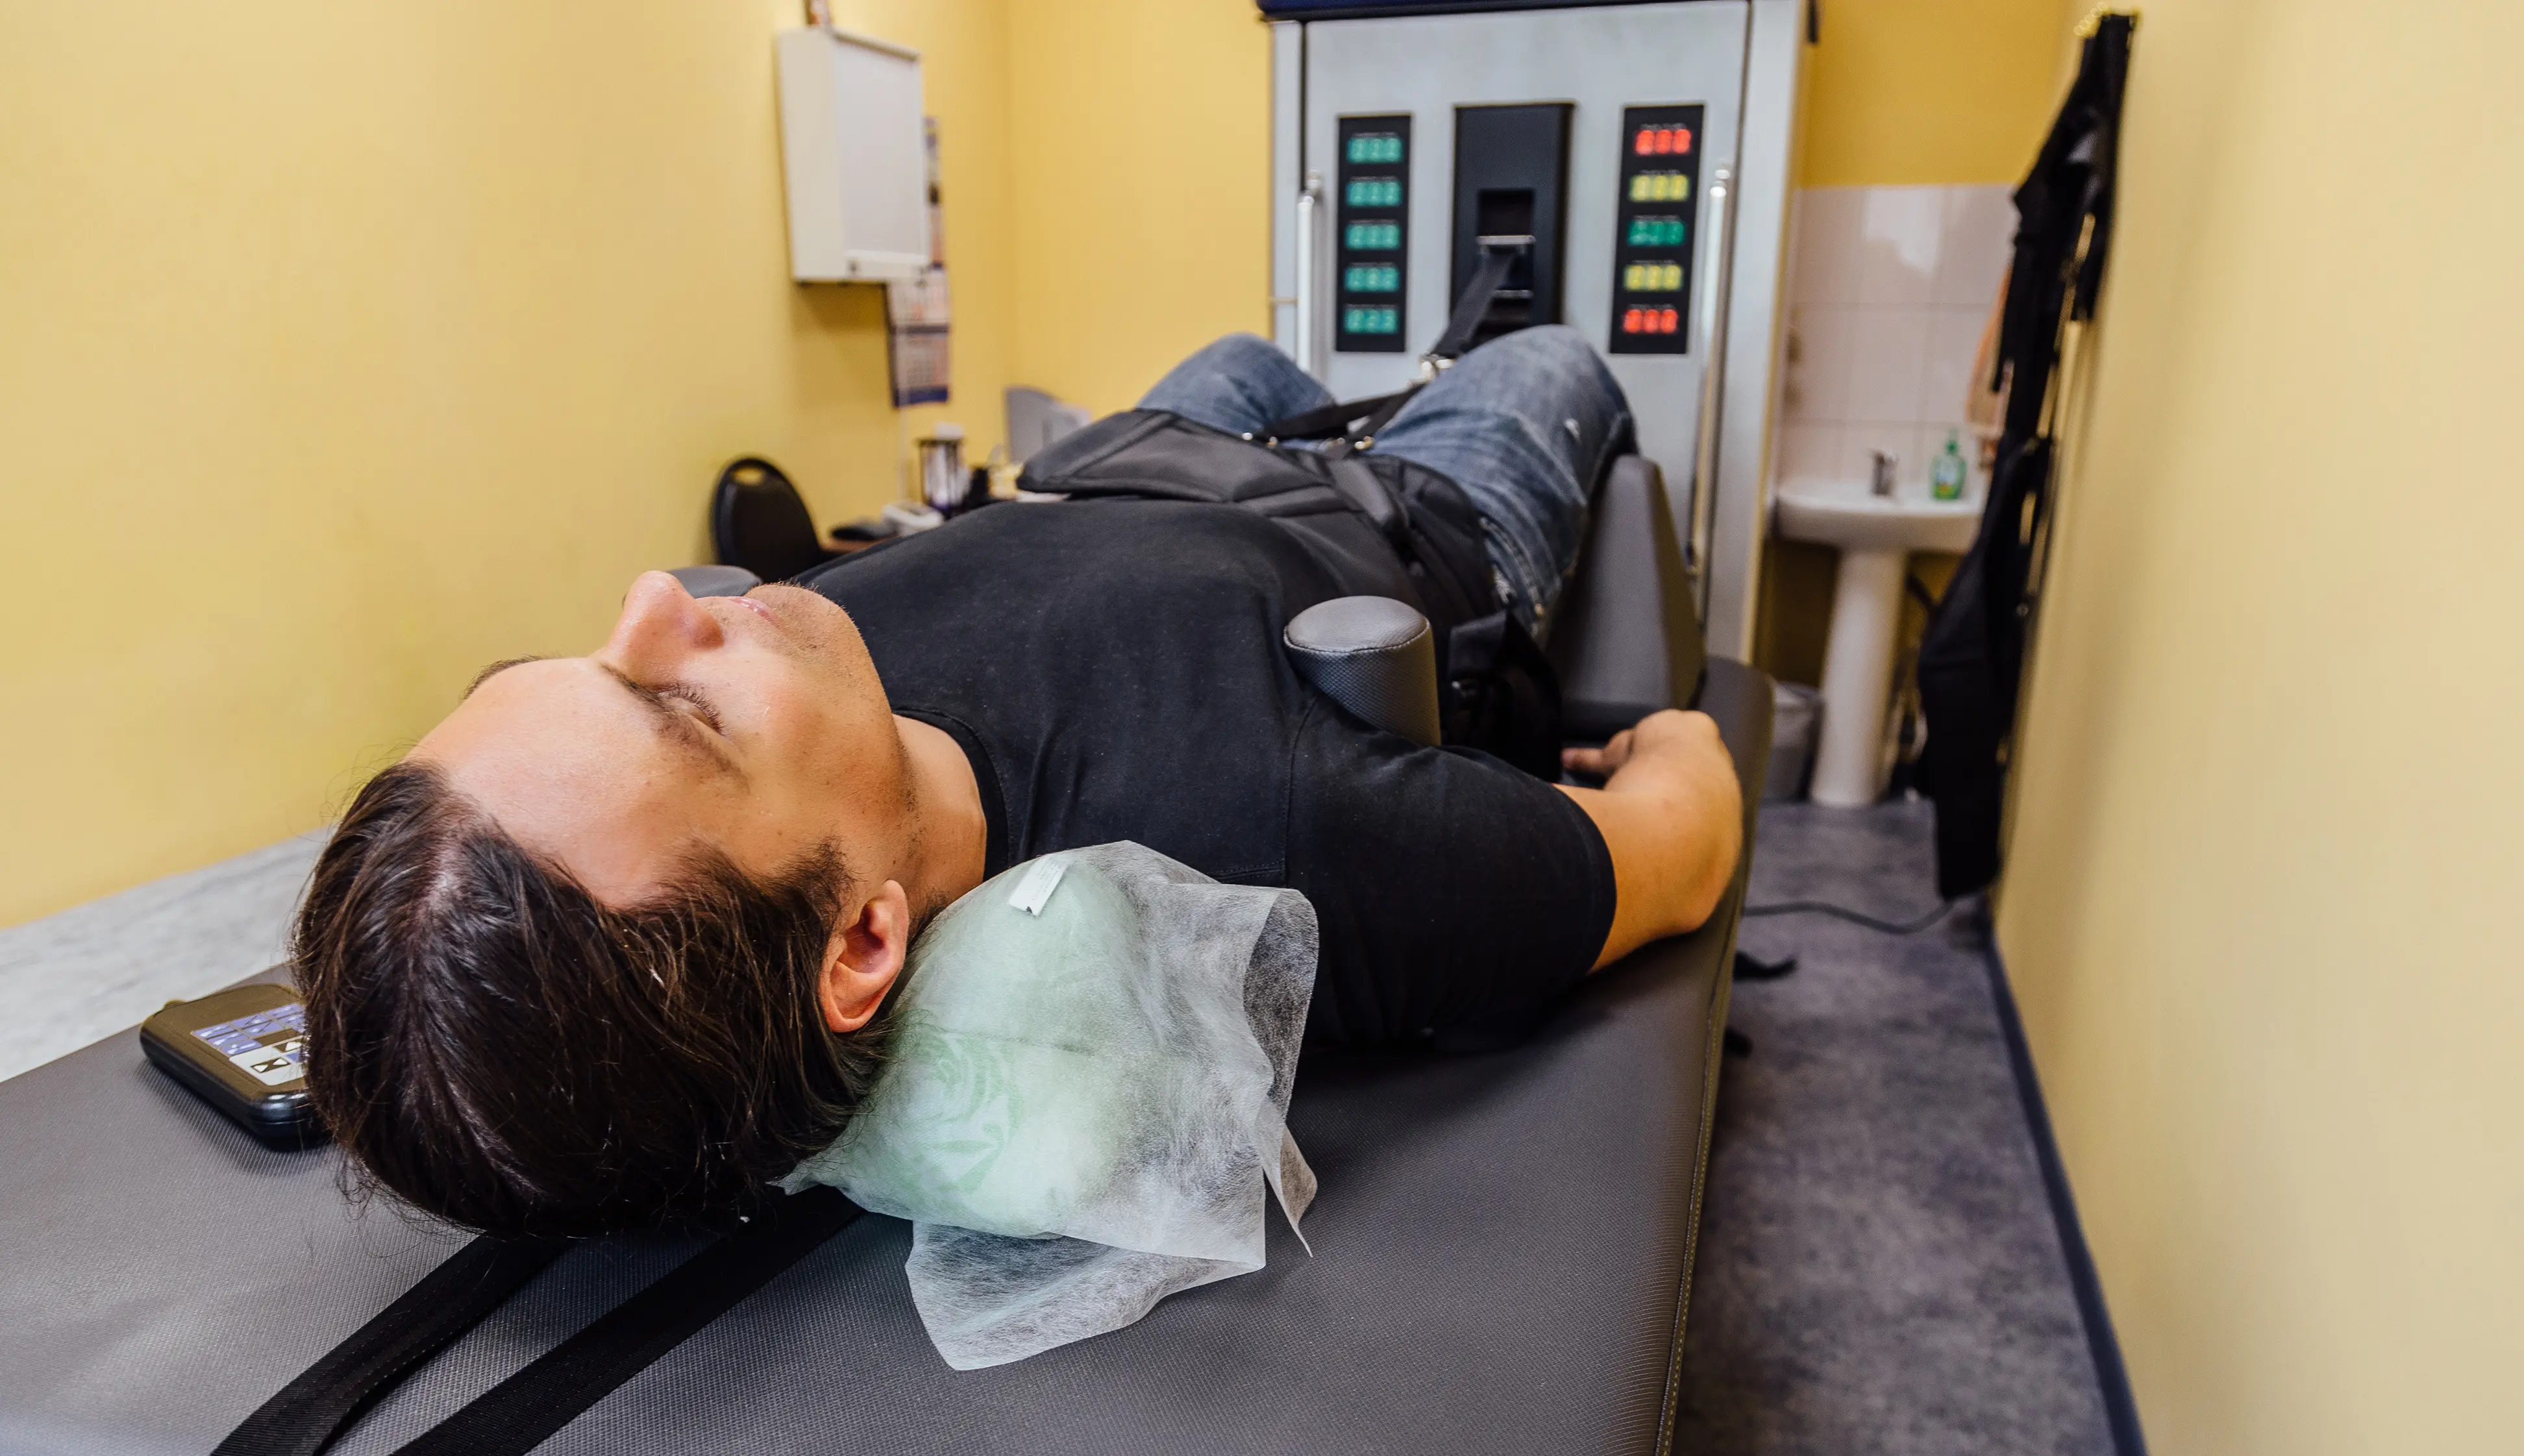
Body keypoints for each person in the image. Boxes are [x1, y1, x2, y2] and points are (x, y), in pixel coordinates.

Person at [293, 327, 1742, 1236]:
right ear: (861, 937)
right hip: (1405, 505)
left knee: (1248, 343)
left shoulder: (809, 672)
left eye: (583, 657)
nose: (665, 593)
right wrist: (1676, 729)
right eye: (678, 706)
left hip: (1124, 464)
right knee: (1546, 347)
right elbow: (1683, 839)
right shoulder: (1279, 840)